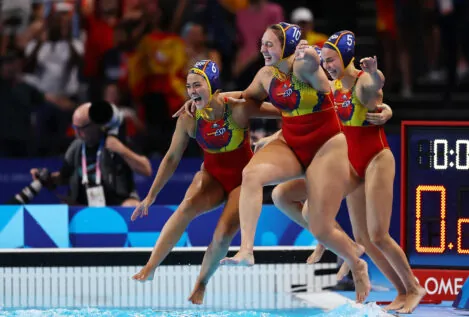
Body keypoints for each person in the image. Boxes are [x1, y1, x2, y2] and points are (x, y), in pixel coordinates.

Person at [270, 31, 426, 313]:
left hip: (377, 158)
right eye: (326, 61)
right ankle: (400, 291)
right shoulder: (331, 86)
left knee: (378, 234)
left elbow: (374, 87)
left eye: (332, 60)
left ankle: (414, 287)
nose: (328, 65)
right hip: (351, 164)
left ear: (345, 57)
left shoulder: (361, 81)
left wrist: (375, 74)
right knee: (363, 237)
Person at [216, 22, 370, 303]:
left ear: (286, 47)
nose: (262, 49)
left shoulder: (304, 66)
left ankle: (354, 259)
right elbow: (246, 99)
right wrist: (209, 101)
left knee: (319, 221)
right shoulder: (265, 75)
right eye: (261, 43)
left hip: (327, 146)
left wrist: (311, 57)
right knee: (259, 180)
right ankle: (246, 251)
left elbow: (320, 78)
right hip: (293, 143)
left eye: (269, 44)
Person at [130, 60, 281, 305]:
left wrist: (276, 136)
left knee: (222, 236)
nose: (191, 91)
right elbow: (171, 158)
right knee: (186, 206)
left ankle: (201, 283)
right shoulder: (189, 119)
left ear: (213, 87)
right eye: (189, 86)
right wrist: (151, 195)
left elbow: (284, 110)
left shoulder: (238, 110)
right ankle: (150, 266)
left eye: (197, 85)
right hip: (212, 177)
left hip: (242, 181)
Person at [30, 102, 152, 206]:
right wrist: (47, 177)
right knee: (62, 209)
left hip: (118, 203)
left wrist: (121, 150)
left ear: (95, 125)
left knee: (131, 206)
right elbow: (64, 177)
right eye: (74, 127)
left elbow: (147, 169)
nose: (77, 133)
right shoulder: (76, 147)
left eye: (81, 128)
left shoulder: (118, 141)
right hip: (84, 204)